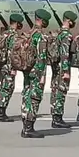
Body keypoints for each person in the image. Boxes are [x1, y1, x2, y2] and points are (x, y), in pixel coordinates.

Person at [20, 8, 51, 138]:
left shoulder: (29, 33)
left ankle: (25, 126)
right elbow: (42, 57)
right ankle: (29, 127)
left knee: (26, 96)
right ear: (42, 20)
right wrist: (42, 75)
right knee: (34, 98)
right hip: (36, 72)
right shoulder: (41, 37)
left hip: (27, 69)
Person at [50, 10, 77, 128]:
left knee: (55, 91)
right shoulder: (66, 35)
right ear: (69, 21)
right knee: (60, 92)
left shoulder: (58, 33)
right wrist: (66, 71)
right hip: (62, 66)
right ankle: (57, 118)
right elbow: (64, 53)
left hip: (56, 66)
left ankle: (55, 116)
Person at [0, 14, 24, 122]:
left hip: (0, 64)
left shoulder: (3, 33)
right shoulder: (14, 35)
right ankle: (1, 113)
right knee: (7, 88)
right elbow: (13, 52)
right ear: (17, 23)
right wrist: (13, 68)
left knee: (1, 87)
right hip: (8, 66)